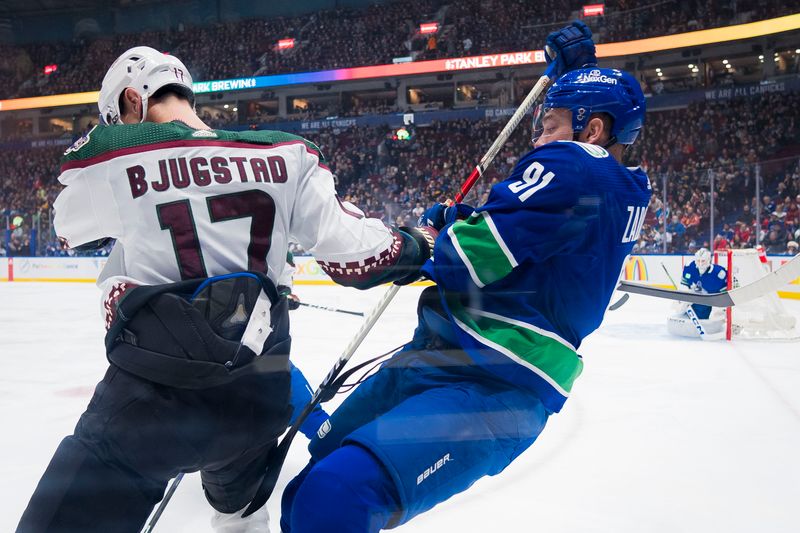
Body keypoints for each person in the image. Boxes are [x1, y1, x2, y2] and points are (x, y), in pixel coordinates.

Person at [17, 47, 436, 533]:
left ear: (133, 99)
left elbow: (67, 229)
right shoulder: (287, 153)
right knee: (240, 515)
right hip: (256, 402)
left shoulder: (117, 158)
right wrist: (420, 245)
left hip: (151, 405)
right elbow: (359, 255)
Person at [280, 22, 651, 532]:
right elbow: (520, 242)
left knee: (335, 497)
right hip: (443, 352)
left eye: (550, 125)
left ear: (592, 132)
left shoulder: (576, 166)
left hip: (496, 382)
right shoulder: (607, 181)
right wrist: (460, 221)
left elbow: (463, 261)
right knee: (319, 467)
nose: (538, 139)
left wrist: (419, 241)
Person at [667, 247, 728, 339]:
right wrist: (683, 299)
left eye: (703, 261)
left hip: (709, 300)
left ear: (708, 260)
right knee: (678, 305)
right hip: (693, 296)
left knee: (709, 314)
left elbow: (725, 296)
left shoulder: (719, 274)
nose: (700, 264)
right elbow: (684, 285)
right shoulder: (690, 267)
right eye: (698, 261)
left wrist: (721, 311)